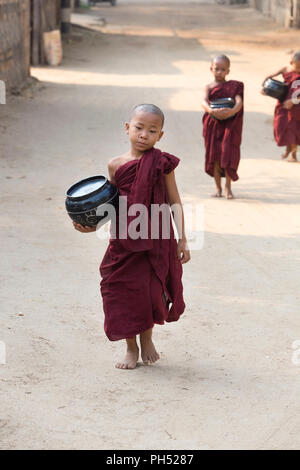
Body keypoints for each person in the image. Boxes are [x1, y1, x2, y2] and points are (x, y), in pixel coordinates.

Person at [73, 104, 190, 370]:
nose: (144, 135)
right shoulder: (115, 165)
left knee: (150, 291)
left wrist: (183, 239)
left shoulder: (163, 164)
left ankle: (147, 339)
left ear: (160, 136)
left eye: (152, 130)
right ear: (127, 128)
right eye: (139, 128)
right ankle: (130, 346)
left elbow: (174, 201)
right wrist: (93, 226)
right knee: (120, 289)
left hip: (157, 238)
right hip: (124, 238)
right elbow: (111, 204)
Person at [202, 55, 244, 199]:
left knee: (227, 154)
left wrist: (232, 111)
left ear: (228, 71)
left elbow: (239, 101)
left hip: (229, 125)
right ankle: (218, 188)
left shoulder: (234, 87)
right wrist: (211, 111)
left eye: (223, 69)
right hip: (213, 125)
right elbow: (203, 101)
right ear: (211, 69)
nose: (219, 72)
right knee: (214, 157)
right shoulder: (209, 87)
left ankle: (228, 188)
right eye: (216, 69)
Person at [262, 51, 300, 162]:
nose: (299, 70)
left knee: (294, 129)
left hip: (297, 104)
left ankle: (293, 153)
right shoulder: (285, 69)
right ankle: (288, 149)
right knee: (281, 126)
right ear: (291, 63)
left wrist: (293, 101)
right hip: (283, 103)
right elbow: (269, 76)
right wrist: (264, 87)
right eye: (297, 67)